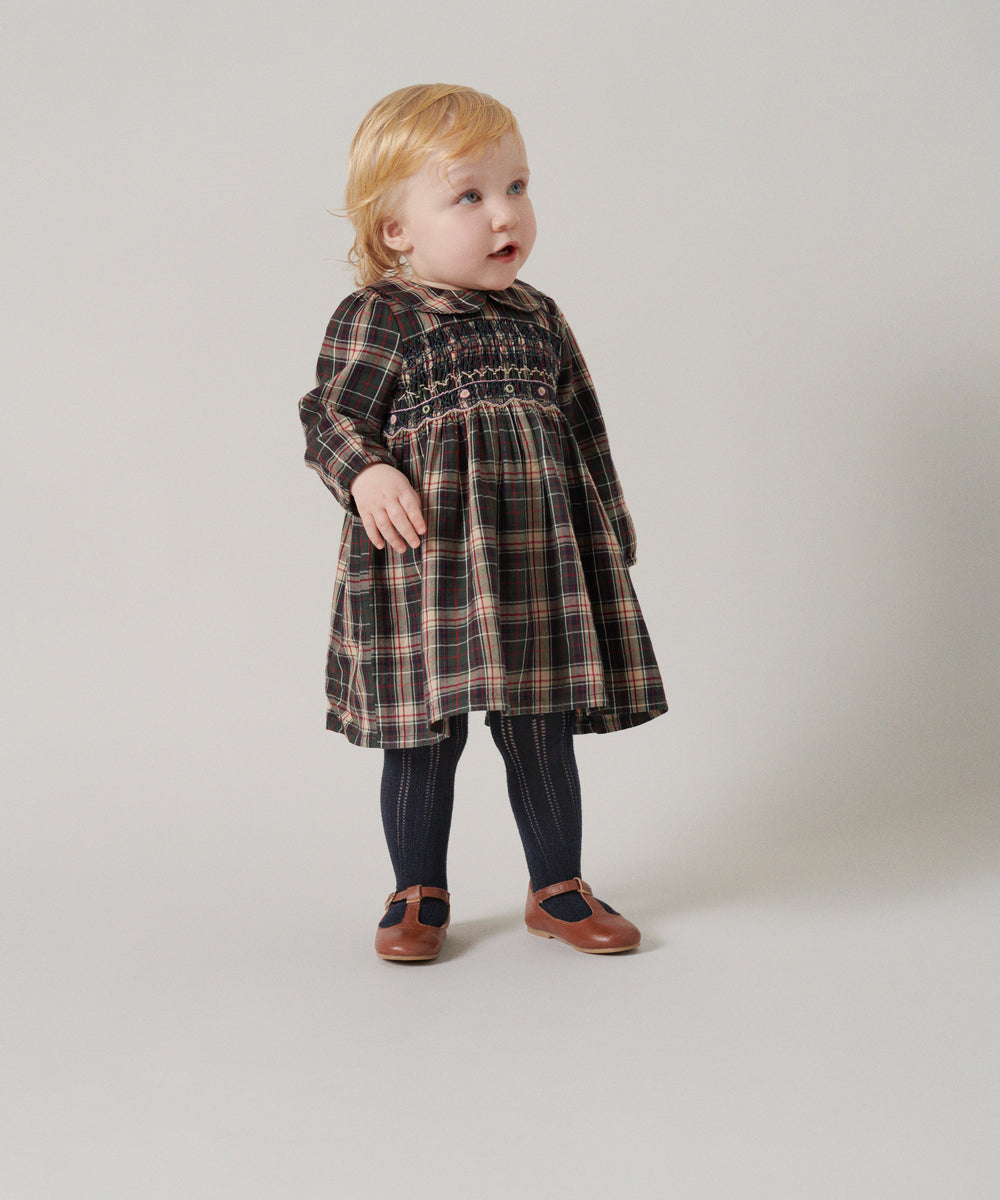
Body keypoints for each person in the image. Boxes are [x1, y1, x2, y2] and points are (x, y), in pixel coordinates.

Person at [298, 84, 667, 961]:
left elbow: (584, 430)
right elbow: (329, 415)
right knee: (425, 736)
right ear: (397, 230)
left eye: (517, 187)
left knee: (539, 723)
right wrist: (368, 471)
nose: (506, 214)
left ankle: (558, 887)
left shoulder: (539, 317)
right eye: (469, 196)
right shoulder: (383, 316)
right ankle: (416, 892)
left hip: (535, 562)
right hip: (425, 569)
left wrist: (612, 530)